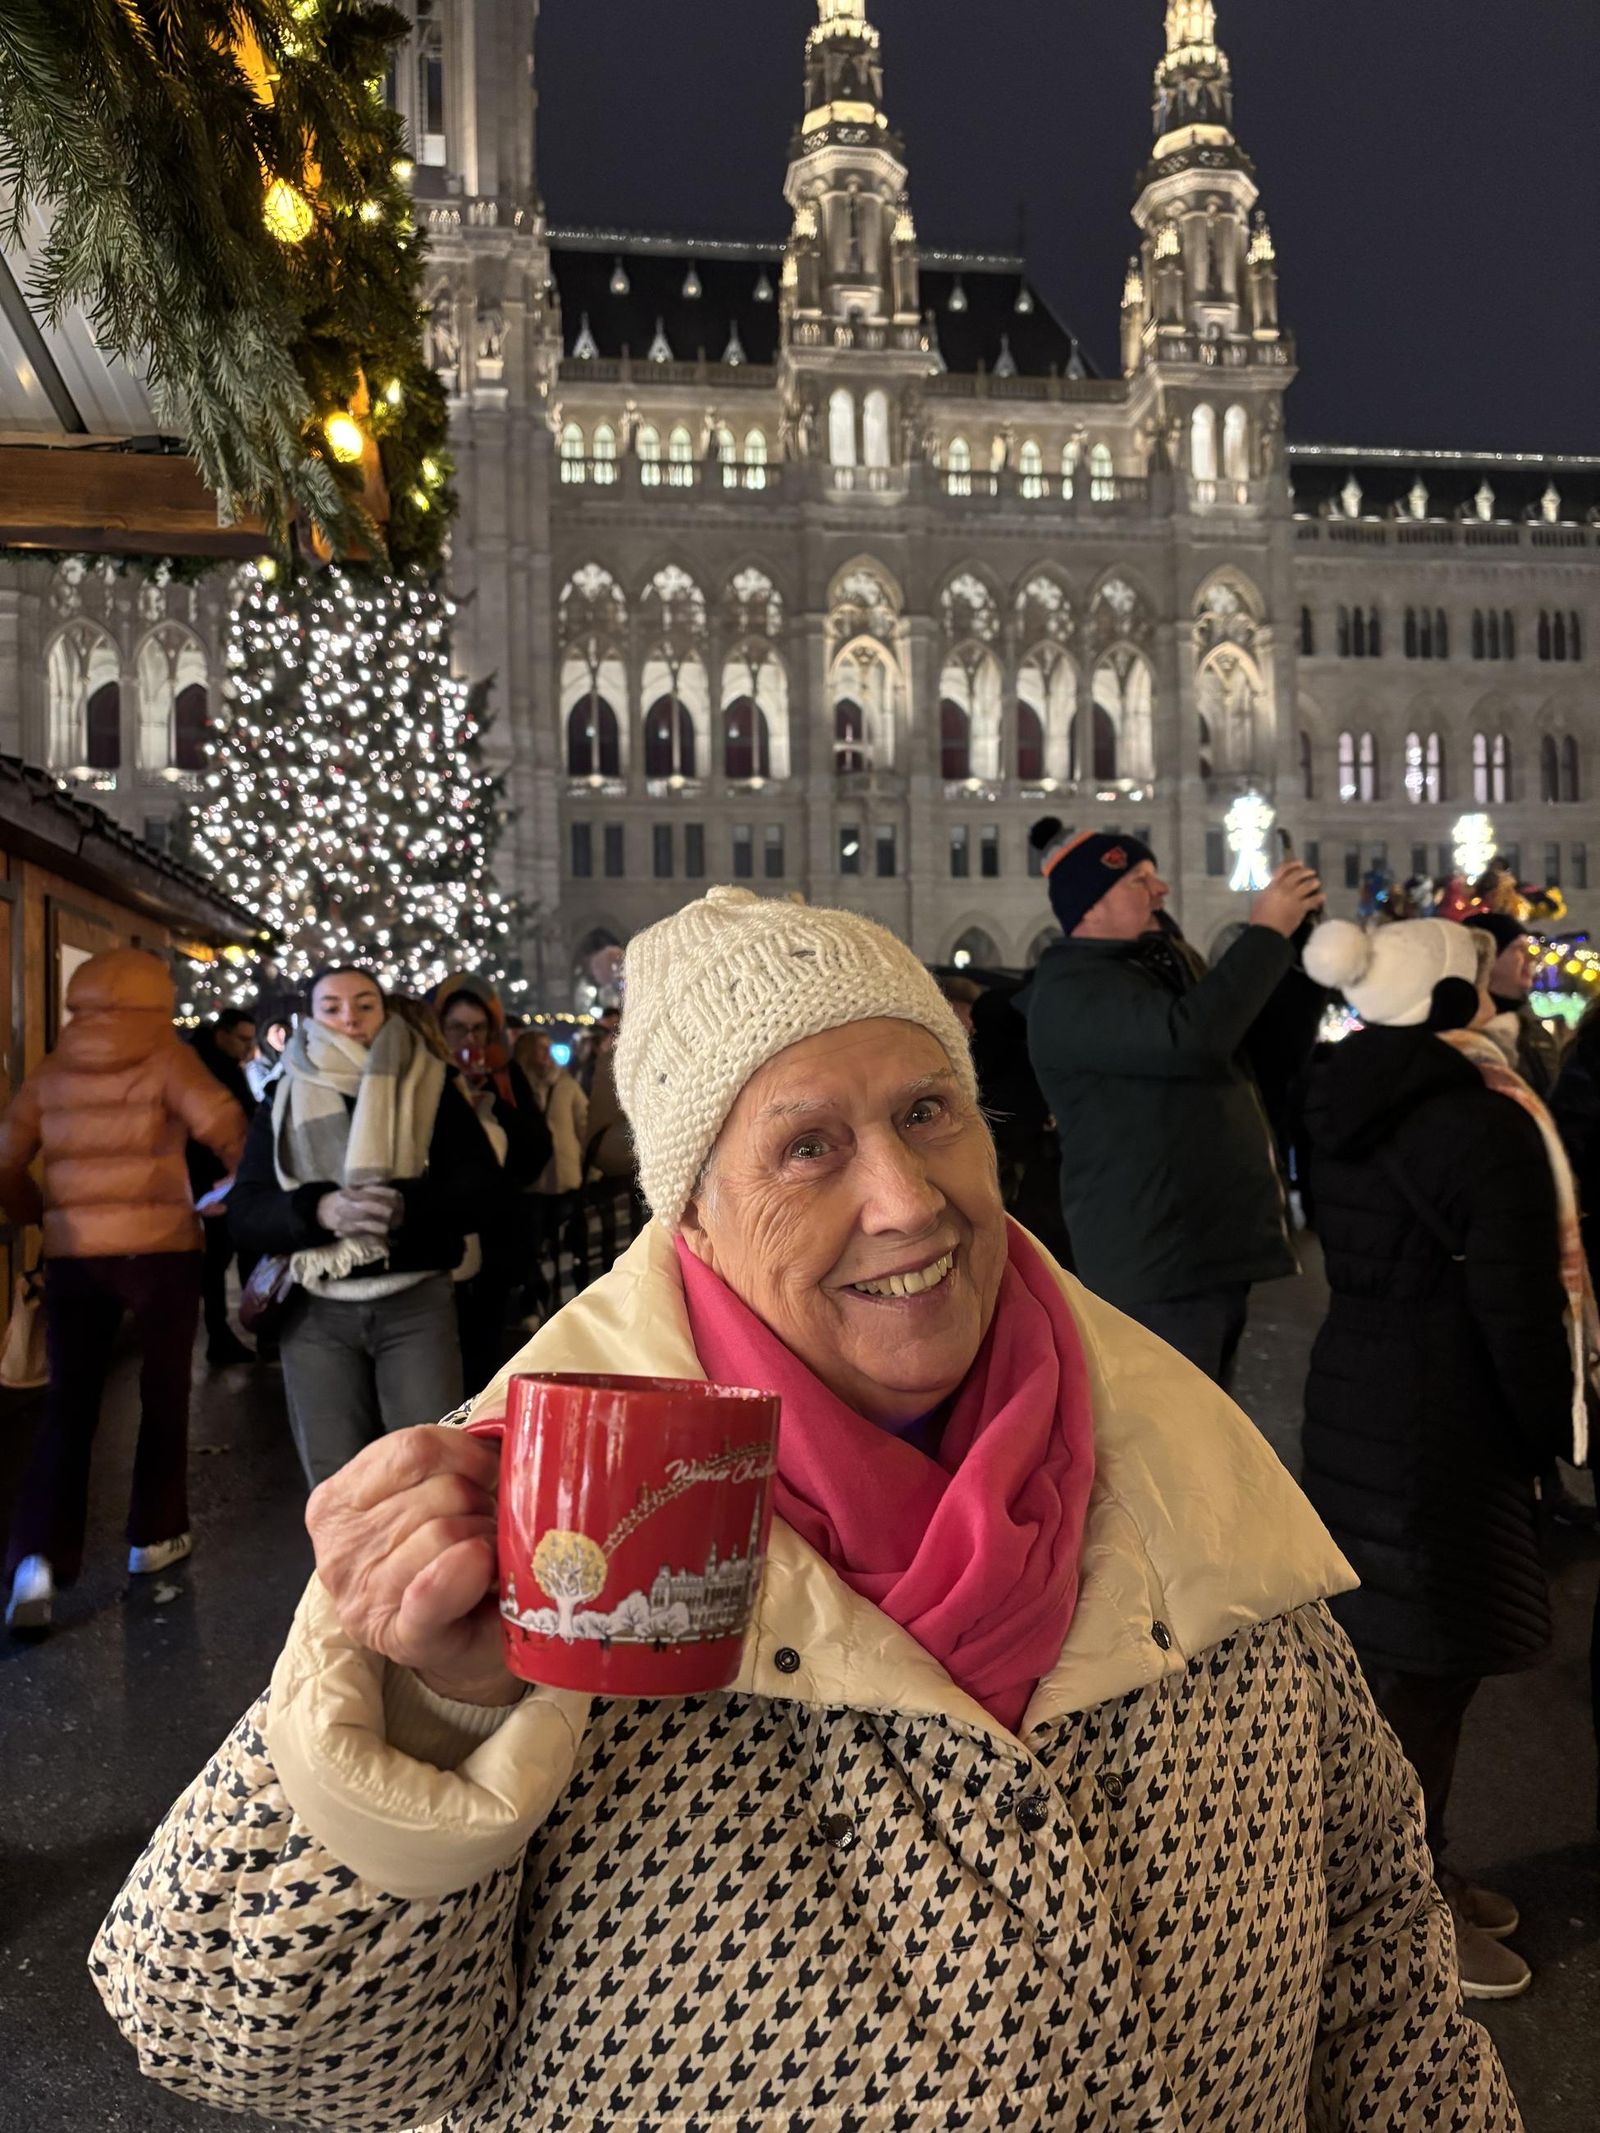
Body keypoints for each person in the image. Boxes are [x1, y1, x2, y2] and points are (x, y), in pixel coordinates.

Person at [95, 887, 1520, 2131]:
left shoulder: (1179, 1457)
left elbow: (1384, 1977)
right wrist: (439, 1718)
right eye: (807, 1147)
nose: (906, 1201)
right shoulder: (532, 1510)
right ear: (688, 1218)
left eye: (926, 1113)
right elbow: (256, 2043)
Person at [1299, 917, 1583, 2000]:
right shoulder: (1478, 1123)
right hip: (1446, 1414)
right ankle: (1402, 1915)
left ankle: (1415, 1874)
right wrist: (1545, 1434)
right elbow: (1513, 1310)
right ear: (1453, 1003)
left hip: (1356, 1390)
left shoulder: (1337, 1096)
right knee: (1427, 1673)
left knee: (1400, 1667)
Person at [1024, 823, 1323, 1387]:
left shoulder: (1157, 967)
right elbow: (1191, 1042)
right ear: (1092, 902)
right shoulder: (1072, 989)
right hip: (1158, 1264)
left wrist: (1295, 945)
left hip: (1204, 1251)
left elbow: (1259, 1047)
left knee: (1208, 1439)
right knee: (1172, 1450)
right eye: (1139, 879)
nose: (1160, 888)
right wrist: (1263, 936)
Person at [1, 949, 248, 1630]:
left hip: (76, 1255)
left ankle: (37, 1562)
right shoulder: (169, 1058)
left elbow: (5, 1158)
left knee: (68, 1407)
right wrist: (219, 1197)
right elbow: (232, 1134)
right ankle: (154, 1535)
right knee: (164, 1392)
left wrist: (38, 1214)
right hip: (164, 1248)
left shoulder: (53, 1069)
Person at [227, 966, 505, 1489]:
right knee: (336, 1482)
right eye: (331, 1007)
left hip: (415, 1302)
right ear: (311, 1017)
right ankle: (347, 1575)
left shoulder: (430, 1082)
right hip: (316, 1311)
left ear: (383, 1011)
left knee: (431, 1470)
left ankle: (427, 1573)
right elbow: (246, 1212)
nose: (349, 1018)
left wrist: (405, 1207)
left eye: (364, 1004)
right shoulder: (283, 1094)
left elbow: (484, 1194)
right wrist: (318, 1212)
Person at [434, 980, 553, 1385]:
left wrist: (494, 1101)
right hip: (442, 1244)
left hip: (495, 1241)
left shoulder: (504, 1074)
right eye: (457, 1028)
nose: (470, 1039)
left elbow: (537, 1149)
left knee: (485, 1348)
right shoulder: (427, 1079)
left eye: (478, 1029)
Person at [186, 1006, 258, 1367]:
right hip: (214, 1179)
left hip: (209, 1177)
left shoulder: (200, 1062)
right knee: (218, 1258)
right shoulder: (211, 1071)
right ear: (221, 1035)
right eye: (242, 1040)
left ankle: (224, 1333)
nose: (248, 1048)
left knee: (219, 1257)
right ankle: (221, 1334)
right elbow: (228, 1126)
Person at [513, 1024, 589, 1310]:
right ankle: (538, 1295)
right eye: (539, 1048)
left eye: (548, 1048)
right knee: (533, 1243)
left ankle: (563, 1295)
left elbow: (583, 1123)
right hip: (532, 1180)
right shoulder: (519, 1088)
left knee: (563, 1241)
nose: (546, 1054)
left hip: (563, 1175)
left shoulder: (565, 1084)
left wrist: (587, 1164)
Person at [1461, 912, 1562, 1098]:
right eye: (1519, 950)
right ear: (1489, 958)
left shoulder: (1532, 1030)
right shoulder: (1460, 1032)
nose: (1532, 960)